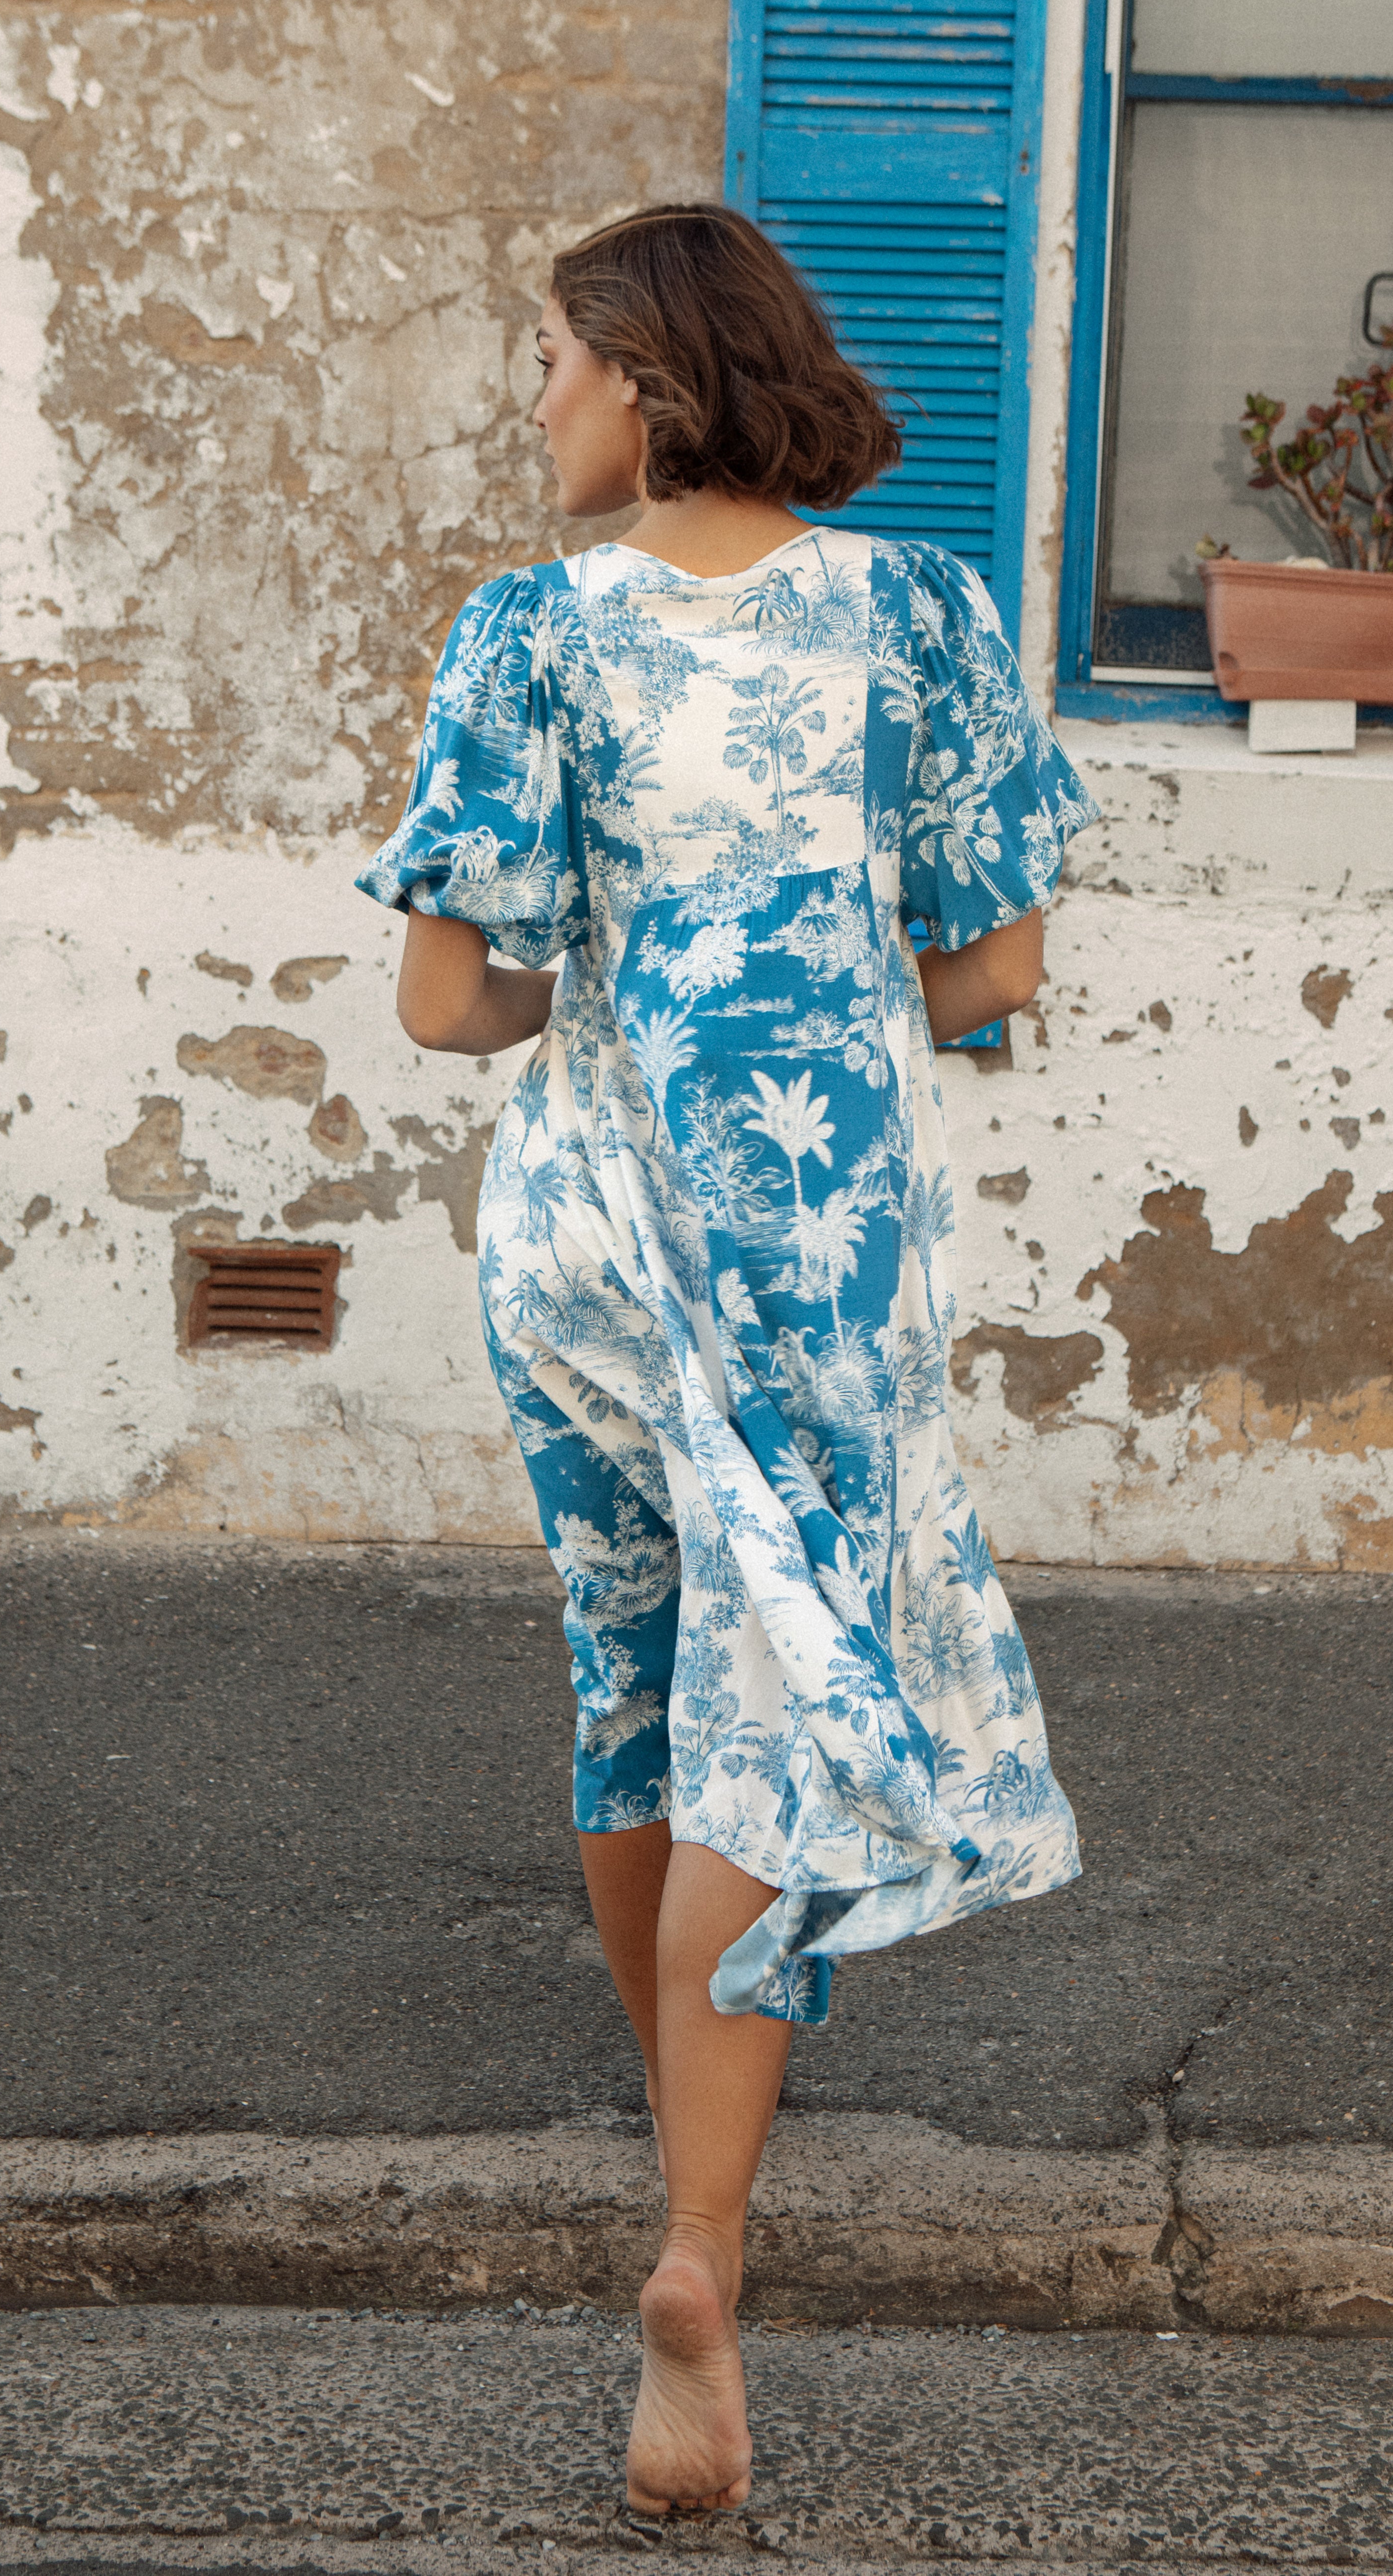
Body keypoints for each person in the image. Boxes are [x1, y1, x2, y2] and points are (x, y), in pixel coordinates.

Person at [357, 203, 1099, 2517]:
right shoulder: (928, 617)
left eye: (556, 362)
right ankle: (699, 2241)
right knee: (778, 1720)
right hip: (811, 1241)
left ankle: (679, 2110)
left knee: (634, 1677)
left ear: (654, 385)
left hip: (584, 1230)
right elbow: (988, 981)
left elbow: (444, 1000)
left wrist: (598, 968)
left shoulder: (524, 638)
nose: (537, 403)